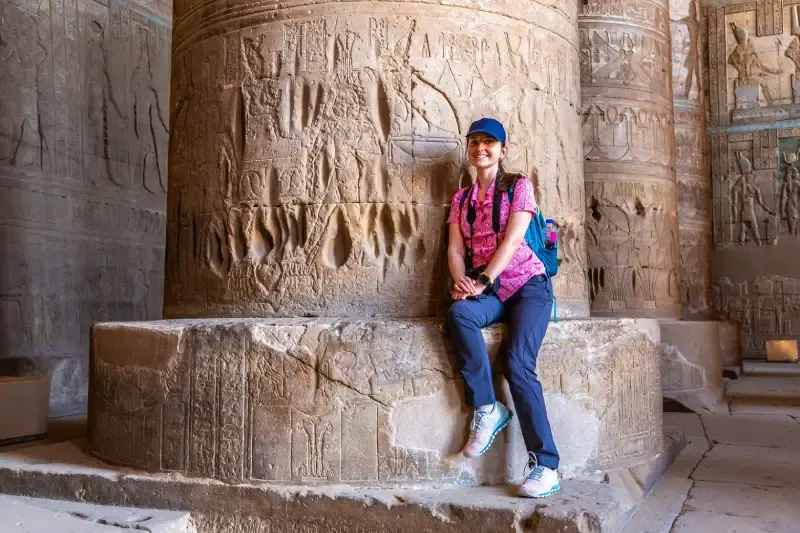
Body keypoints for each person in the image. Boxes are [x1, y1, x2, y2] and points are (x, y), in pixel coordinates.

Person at [446, 118, 559, 498]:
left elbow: (512, 242)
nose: (481, 148)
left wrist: (481, 281)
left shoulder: (518, 186)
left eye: (489, 142)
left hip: (528, 286)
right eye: (475, 142)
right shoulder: (461, 200)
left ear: (502, 149)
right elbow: (455, 248)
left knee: (517, 363)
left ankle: (546, 465)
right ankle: (487, 407)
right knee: (459, 314)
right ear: (468, 148)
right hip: (490, 289)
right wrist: (462, 283)